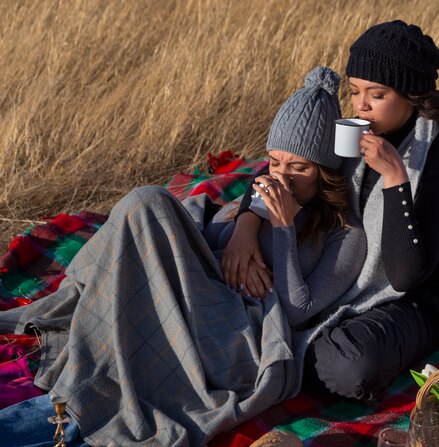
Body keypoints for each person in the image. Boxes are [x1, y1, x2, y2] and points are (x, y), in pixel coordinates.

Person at [0, 66, 366, 446]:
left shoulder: (346, 233)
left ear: (325, 170)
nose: (281, 177)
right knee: (145, 205)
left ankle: (83, 397)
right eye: (275, 162)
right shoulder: (263, 191)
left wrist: (284, 228)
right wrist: (245, 227)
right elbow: (219, 234)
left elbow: (297, 311)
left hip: (238, 329)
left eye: (299, 167)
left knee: (148, 206)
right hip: (203, 283)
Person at [223, 20, 439, 400]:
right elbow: (281, 167)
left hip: (410, 305)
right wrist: (244, 228)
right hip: (335, 272)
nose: (360, 104)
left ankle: (269, 349)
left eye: (376, 94)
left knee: (350, 368)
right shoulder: (353, 134)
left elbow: (406, 276)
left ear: (410, 95)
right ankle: (272, 345)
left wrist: (395, 177)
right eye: (355, 90)